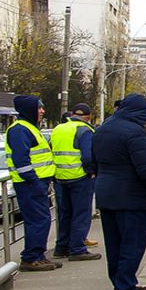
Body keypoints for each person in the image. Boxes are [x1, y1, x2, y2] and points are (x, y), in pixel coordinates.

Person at [92, 94, 146, 290]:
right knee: (132, 243)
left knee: (114, 243)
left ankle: (121, 282)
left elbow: (91, 163)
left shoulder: (102, 130)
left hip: (106, 195)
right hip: (131, 196)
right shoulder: (137, 134)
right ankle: (126, 288)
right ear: (143, 113)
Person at [5, 95, 60, 271]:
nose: (42, 110)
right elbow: (21, 161)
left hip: (36, 182)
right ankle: (31, 258)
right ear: (29, 110)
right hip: (29, 183)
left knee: (42, 219)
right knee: (38, 220)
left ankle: (37, 255)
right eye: (39, 107)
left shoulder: (29, 127)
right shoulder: (20, 129)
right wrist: (35, 182)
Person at [50, 103, 100, 261]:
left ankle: (61, 247)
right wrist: (91, 171)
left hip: (59, 177)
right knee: (81, 213)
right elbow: (87, 155)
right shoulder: (85, 130)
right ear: (88, 116)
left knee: (64, 213)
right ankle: (77, 248)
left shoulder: (58, 128)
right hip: (80, 178)